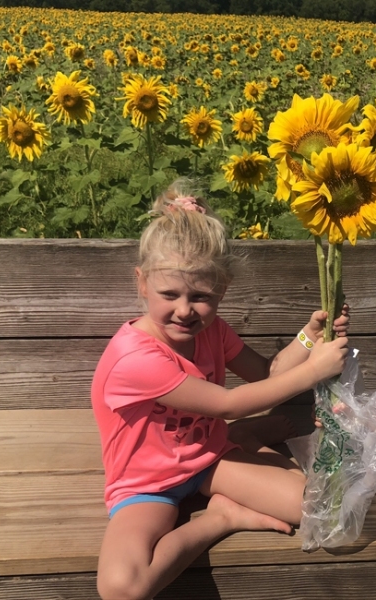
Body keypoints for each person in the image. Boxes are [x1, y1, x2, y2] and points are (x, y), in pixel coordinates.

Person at [91, 179, 350, 600]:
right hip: (147, 484)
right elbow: (227, 403)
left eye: (201, 296)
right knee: (123, 587)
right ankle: (222, 517)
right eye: (168, 293)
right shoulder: (135, 358)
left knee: (313, 508)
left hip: (208, 458)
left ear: (223, 289)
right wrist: (313, 371)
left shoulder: (214, 331)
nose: (183, 310)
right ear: (141, 283)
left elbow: (266, 374)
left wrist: (309, 337)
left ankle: (243, 441)